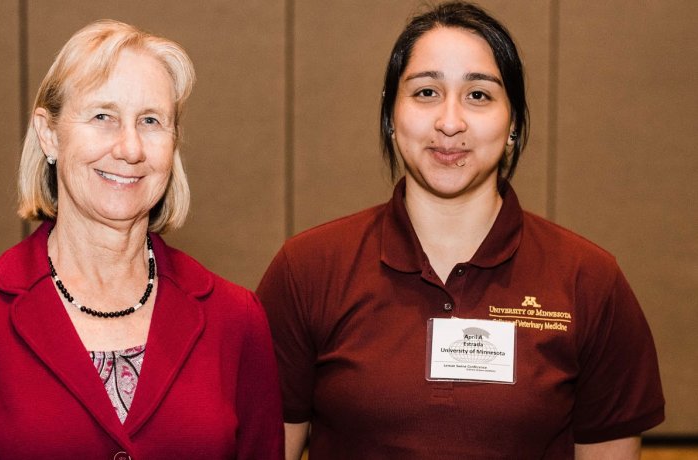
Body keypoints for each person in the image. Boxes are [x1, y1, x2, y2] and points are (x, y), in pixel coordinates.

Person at [256, 2, 664, 459]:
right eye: (426, 92)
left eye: (479, 95)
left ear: (512, 125)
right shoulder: (308, 269)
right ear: (392, 117)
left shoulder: (589, 280)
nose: (450, 123)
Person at [0, 20, 283, 459]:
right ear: (48, 133)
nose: (130, 148)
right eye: (103, 117)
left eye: (151, 121)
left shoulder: (235, 320)